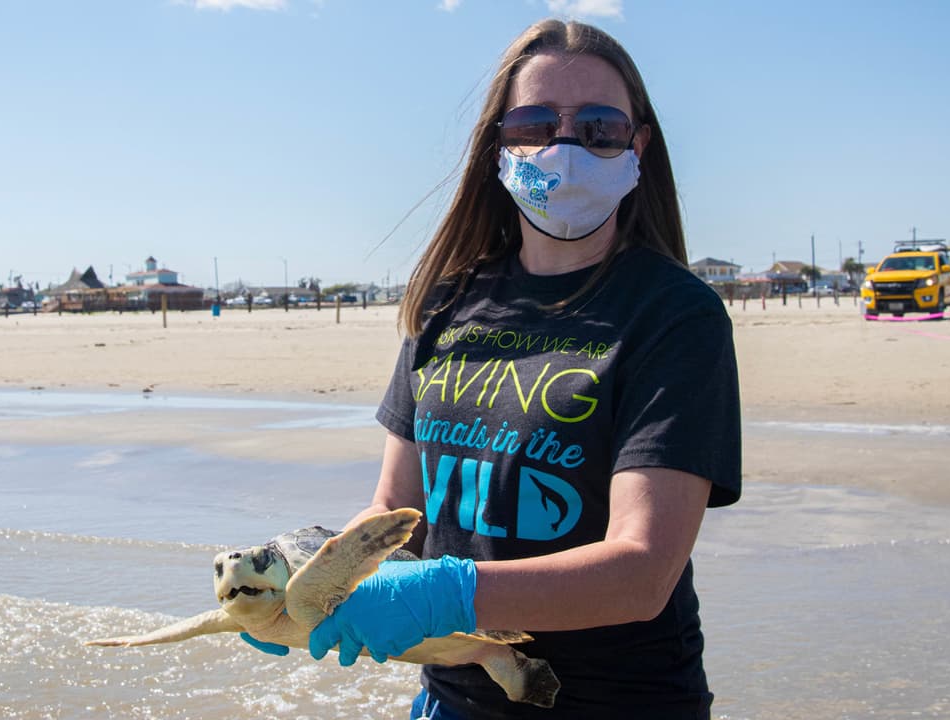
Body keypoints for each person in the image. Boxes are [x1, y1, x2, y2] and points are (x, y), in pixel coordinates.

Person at [243, 19, 740, 719]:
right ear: (498, 145)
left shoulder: (675, 317)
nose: (564, 146)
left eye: (598, 126)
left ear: (639, 145)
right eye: (535, 124)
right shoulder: (446, 305)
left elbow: (642, 572)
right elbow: (394, 513)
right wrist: (308, 591)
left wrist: (443, 594)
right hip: (450, 703)